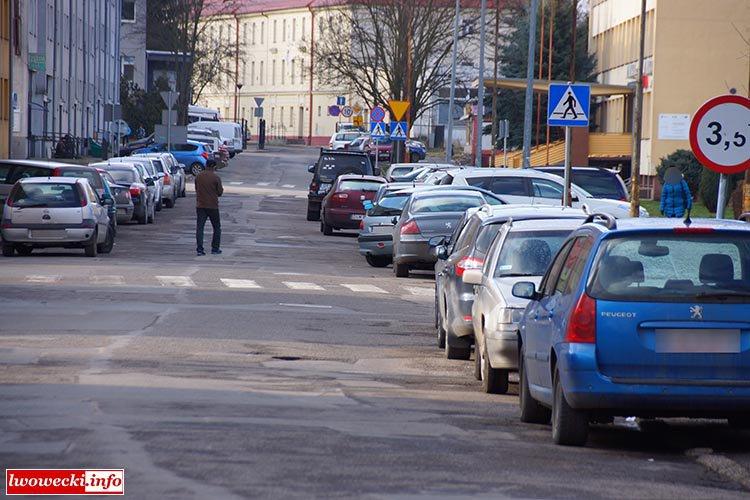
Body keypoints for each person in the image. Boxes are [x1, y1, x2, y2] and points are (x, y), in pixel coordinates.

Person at [195, 163, 224, 255]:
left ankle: (200, 249)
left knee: (200, 227)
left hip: (201, 205)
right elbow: (220, 192)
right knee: (216, 227)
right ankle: (215, 248)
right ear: (214, 167)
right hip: (212, 205)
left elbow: (196, 189)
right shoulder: (215, 177)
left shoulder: (199, 176)